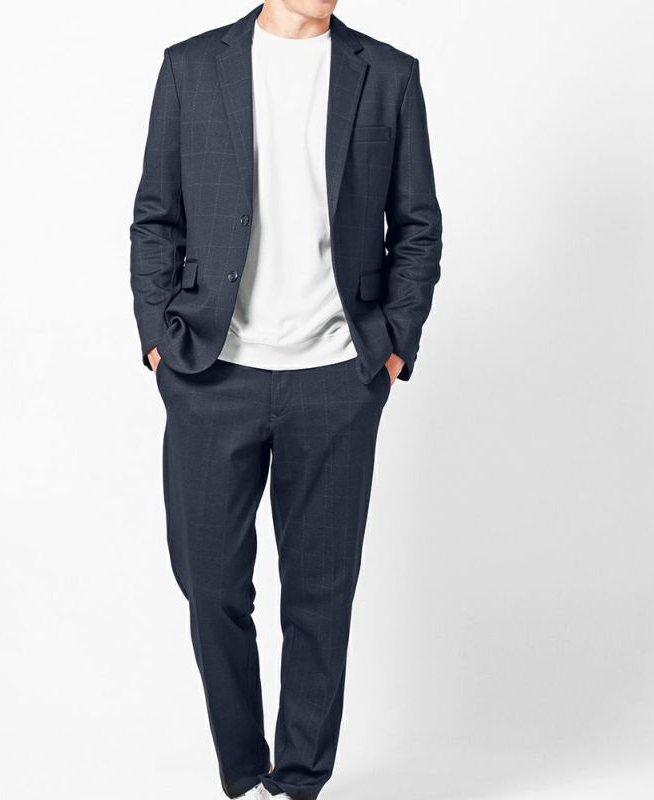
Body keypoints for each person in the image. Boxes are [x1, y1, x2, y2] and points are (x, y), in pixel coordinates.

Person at [129, 1, 441, 797]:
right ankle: (244, 770)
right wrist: (160, 339)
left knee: (320, 598)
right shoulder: (192, 68)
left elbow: (416, 227)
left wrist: (391, 346)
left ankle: (299, 781)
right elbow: (156, 218)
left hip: (338, 377)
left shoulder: (388, 75)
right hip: (212, 373)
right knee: (210, 586)